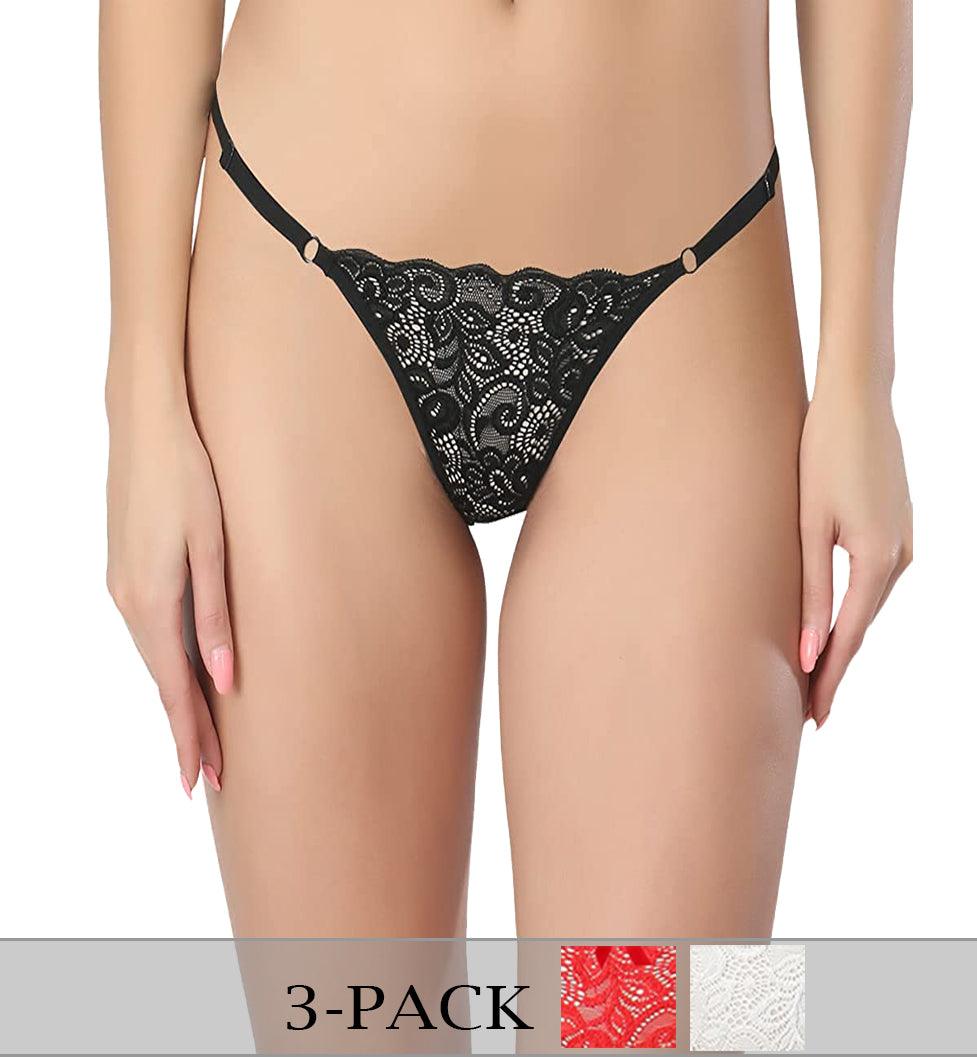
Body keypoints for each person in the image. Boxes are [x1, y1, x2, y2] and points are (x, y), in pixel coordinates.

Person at [100, 0, 912, 938]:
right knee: (350, 1013)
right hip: (299, 293)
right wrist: (141, 404)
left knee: (669, 1008)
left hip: (690, 302)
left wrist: (862, 378)